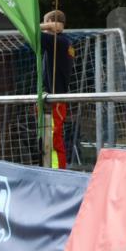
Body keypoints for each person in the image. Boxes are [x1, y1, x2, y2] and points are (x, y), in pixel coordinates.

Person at [40, 9, 75, 169]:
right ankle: (52, 169)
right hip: (54, 99)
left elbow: (32, 31)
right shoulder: (61, 41)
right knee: (50, 140)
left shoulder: (58, 41)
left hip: (55, 101)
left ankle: (56, 172)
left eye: (46, 22)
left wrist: (49, 25)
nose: (44, 27)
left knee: (53, 141)